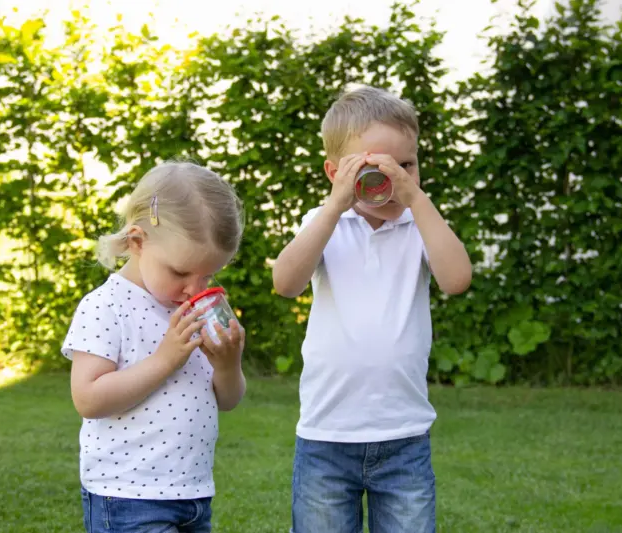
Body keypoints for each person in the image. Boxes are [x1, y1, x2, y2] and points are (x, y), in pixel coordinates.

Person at [273, 86, 473, 533]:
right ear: (335, 171)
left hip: (403, 434)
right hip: (327, 433)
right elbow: (286, 283)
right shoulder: (324, 223)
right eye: (372, 166)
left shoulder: (420, 224)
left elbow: (456, 280)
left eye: (406, 165)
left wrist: (417, 199)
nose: (393, 177)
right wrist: (333, 206)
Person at [62, 161, 246, 533]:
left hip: (191, 492)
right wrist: (165, 359)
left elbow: (227, 400)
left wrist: (228, 366)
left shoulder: (192, 310)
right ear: (136, 242)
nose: (195, 290)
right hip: (127, 494)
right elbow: (88, 399)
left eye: (209, 275)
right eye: (180, 272)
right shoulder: (105, 306)